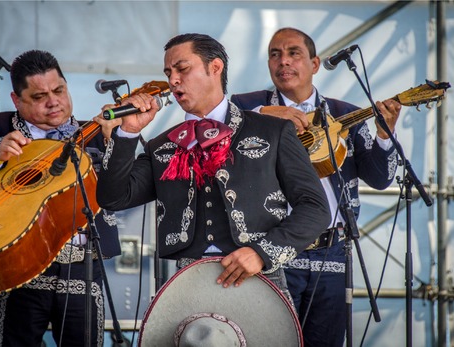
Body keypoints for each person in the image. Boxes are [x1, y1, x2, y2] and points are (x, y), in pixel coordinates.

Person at [93, 32, 331, 303]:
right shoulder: (163, 145)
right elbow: (113, 197)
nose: (172, 80)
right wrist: (127, 134)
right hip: (186, 284)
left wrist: (262, 253)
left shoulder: (272, 131)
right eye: (169, 72)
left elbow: (316, 208)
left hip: (259, 278)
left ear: (215, 67)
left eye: (182, 69)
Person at [230, 27, 401, 347]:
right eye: (274, 54)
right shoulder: (246, 105)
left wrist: (384, 133)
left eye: (293, 53)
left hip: (332, 249)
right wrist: (265, 114)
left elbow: (379, 179)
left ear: (315, 63)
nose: (283, 61)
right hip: (271, 246)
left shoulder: (345, 113)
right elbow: (213, 127)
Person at [0, 50, 121, 347]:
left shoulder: (94, 133)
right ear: (17, 100)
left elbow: (121, 188)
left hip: (82, 264)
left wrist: (115, 143)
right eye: (39, 96)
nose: (53, 101)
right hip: (18, 264)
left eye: (59, 90)